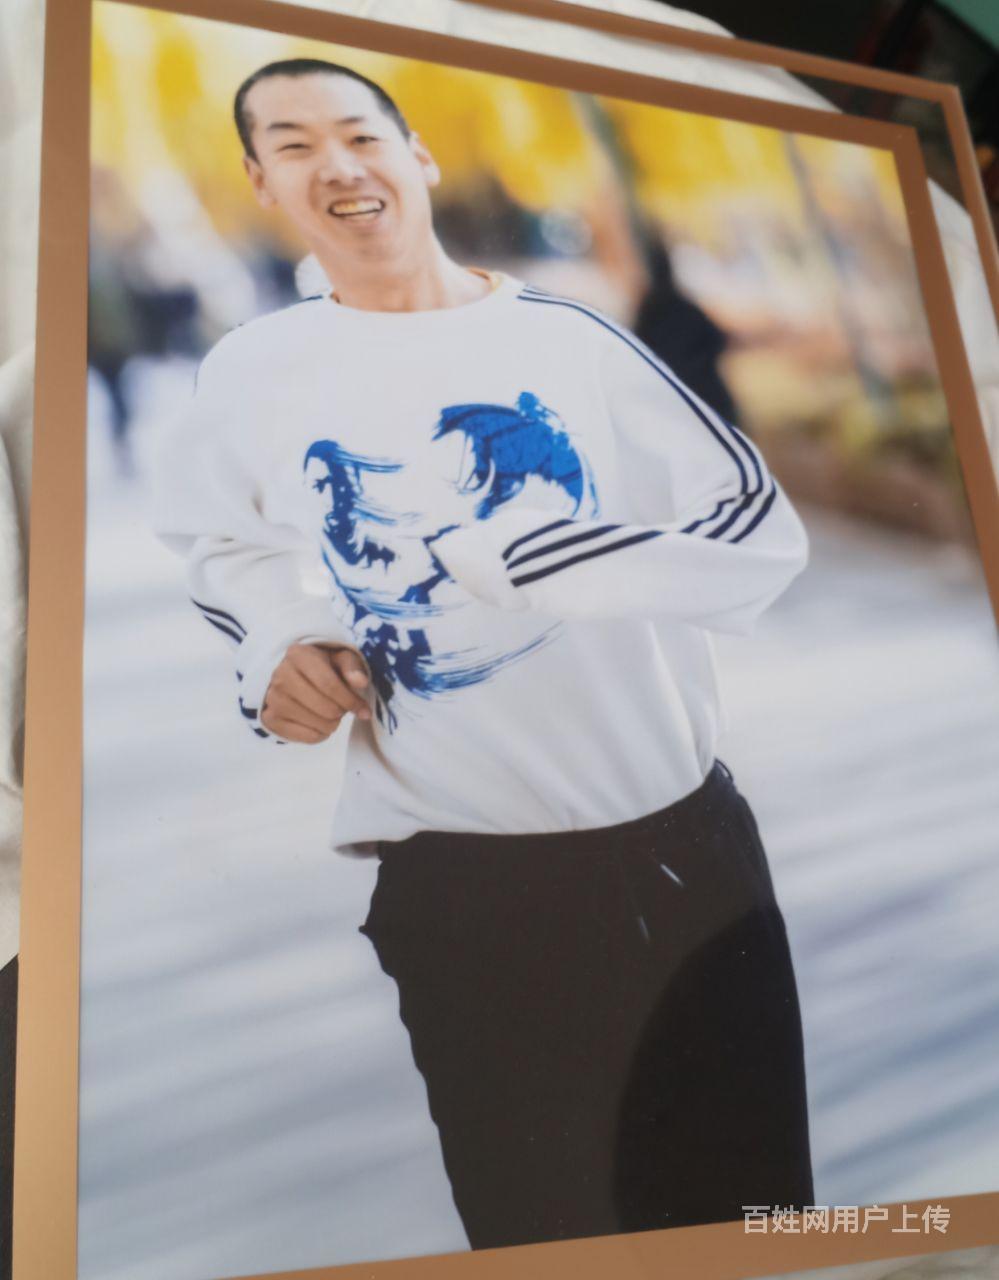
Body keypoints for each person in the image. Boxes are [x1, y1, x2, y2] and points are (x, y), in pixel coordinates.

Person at [153, 57, 814, 1251]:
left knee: (756, 1227)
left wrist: (541, 554)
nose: (337, 164)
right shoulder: (251, 373)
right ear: (259, 182)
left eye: (360, 134)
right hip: (465, 892)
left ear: (418, 157)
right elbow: (222, 546)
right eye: (293, 145)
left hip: (684, 857)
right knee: (541, 1237)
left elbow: (758, 537)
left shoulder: (570, 342)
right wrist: (283, 643)